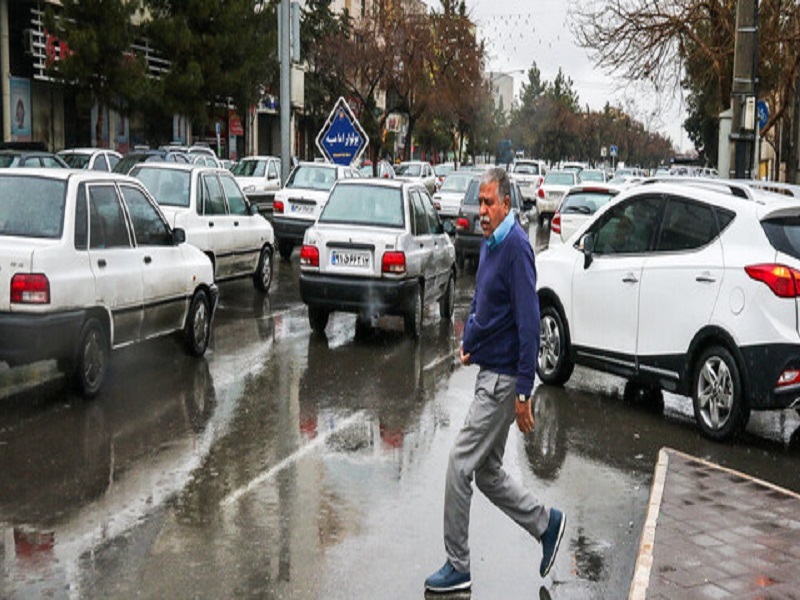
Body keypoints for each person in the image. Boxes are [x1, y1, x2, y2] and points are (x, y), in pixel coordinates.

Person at [425, 167, 566, 593]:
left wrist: (524, 391)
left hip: (503, 381)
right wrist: (471, 343)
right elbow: (487, 305)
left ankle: (458, 565)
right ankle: (545, 524)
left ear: (506, 203)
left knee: (459, 465)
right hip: (491, 370)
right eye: (479, 203)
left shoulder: (517, 249)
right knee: (487, 472)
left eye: (489, 203)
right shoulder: (492, 243)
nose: (482, 211)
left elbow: (528, 323)